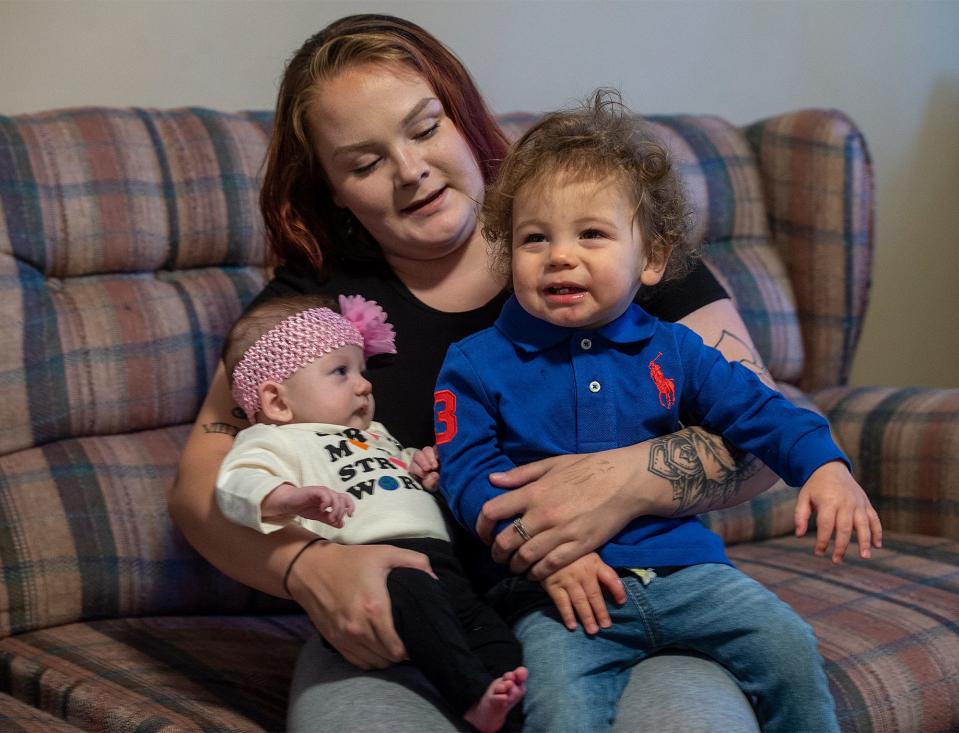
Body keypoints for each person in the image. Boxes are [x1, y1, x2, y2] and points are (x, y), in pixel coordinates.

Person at [168, 13, 881, 732]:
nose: (409, 169)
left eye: (423, 127)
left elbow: (755, 419)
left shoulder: (606, 228)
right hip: (418, 624)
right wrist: (304, 568)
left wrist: (620, 479)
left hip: (643, 590)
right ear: (334, 192)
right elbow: (201, 486)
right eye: (363, 162)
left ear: (463, 116)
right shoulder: (309, 309)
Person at [435, 91, 881, 731]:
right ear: (510, 255)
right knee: (555, 708)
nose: (561, 255)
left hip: (689, 574)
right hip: (561, 591)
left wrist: (825, 466)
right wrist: (545, 552)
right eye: (535, 238)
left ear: (650, 259)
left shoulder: (677, 349)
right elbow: (467, 474)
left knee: (789, 648)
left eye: (591, 233)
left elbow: (759, 408)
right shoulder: (475, 364)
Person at [215, 294, 526, 733]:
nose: (364, 385)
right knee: (422, 606)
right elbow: (235, 483)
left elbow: (401, 467)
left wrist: (425, 466)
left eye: (362, 371)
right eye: (341, 372)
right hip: (375, 570)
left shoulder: (376, 435)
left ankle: (505, 703)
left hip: (442, 562)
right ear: (277, 401)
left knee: (488, 630)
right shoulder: (275, 441)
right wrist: (285, 498)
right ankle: (472, 697)